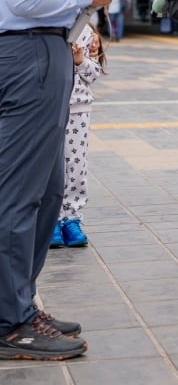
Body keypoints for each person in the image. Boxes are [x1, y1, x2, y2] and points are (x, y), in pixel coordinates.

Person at [0, 0, 115, 361]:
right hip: (27, 54)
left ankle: (18, 301)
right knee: (23, 194)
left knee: (43, 189)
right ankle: (9, 319)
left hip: (26, 52)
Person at [51, 20, 104, 249]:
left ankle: (71, 219)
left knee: (75, 165)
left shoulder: (87, 32)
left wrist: (80, 61)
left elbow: (94, 74)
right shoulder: (44, 27)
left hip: (78, 110)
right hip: (48, 107)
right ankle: (50, 220)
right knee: (49, 166)